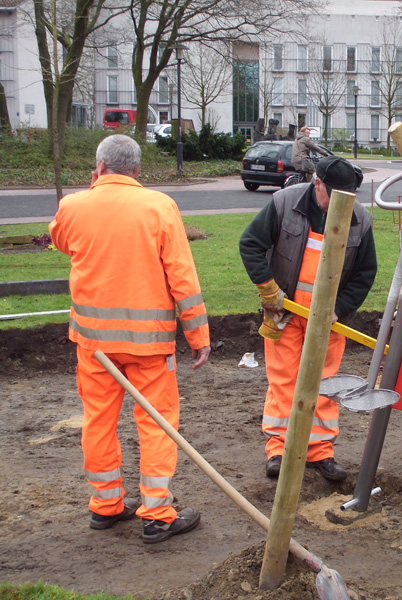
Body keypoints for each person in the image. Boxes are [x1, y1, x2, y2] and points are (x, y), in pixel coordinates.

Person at [49, 134, 211, 544]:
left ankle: (105, 505)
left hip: (94, 346)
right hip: (149, 346)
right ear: (137, 171)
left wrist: (92, 193)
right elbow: (182, 277)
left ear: (98, 167)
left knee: (98, 421)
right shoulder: (158, 207)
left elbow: (61, 241)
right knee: (156, 424)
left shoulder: (72, 206)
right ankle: (156, 512)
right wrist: (198, 334)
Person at [239, 156, 377, 481]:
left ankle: (319, 452)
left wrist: (339, 309)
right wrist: (269, 291)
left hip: (328, 320)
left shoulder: (361, 220)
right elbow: (250, 244)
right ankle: (279, 449)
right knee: (284, 380)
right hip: (285, 312)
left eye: (349, 198)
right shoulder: (285, 204)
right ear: (317, 184)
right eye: (335, 197)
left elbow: (365, 273)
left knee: (324, 384)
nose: (343, 205)